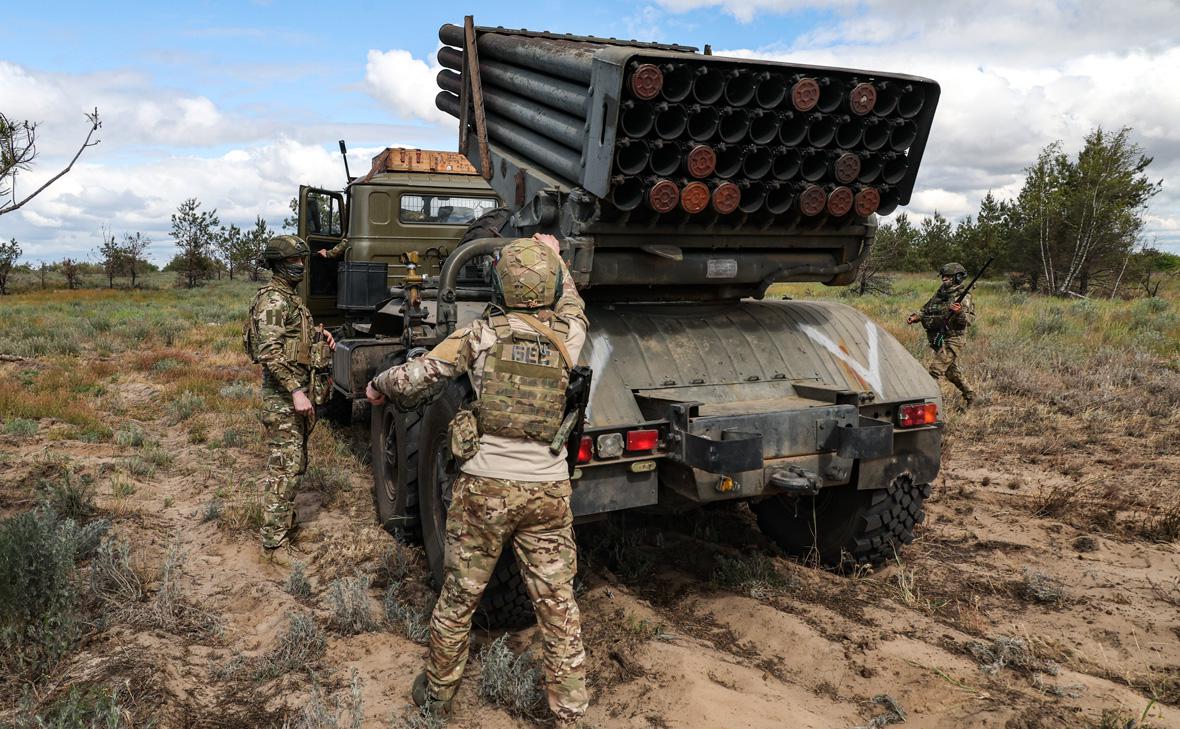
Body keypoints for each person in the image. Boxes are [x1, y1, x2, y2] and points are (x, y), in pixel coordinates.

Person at [365, 234, 589, 727]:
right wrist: (556, 259)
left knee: (460, 596)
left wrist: (376, 385)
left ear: (500, 283)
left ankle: (437, 698)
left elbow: (413, 378)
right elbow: (573, 302)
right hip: (548, 490)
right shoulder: (569, 336)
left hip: (485, 490)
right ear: (549, 283)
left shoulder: (479, 335)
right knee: (558, 606)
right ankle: (570, 712)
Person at [244, 235, 335, 561]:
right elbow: (270, 352)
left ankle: (284, 526)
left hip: (293, 393)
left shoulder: (289, 299)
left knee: (295, 466)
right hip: (283, 396)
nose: (301, 266)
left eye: (302, 261)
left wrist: (318, 337)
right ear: (279, 265)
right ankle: (273, 545)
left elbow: (291, 340)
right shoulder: (274, 301)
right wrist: (296, 392)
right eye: (294, 261)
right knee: (283, 470)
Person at [907, 262, 977, 406]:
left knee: (935, 370)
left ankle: (923, 403)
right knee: (951, 372)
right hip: (938, 338)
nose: (944, 278)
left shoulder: (964, 297)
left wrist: (959, 312)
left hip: (953, 338)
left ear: (957, 277)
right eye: (943, 276)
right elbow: (927, 309)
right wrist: (916, 317)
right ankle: (971, 396)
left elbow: (968, 321)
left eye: (948, 276)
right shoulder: (941, 293)